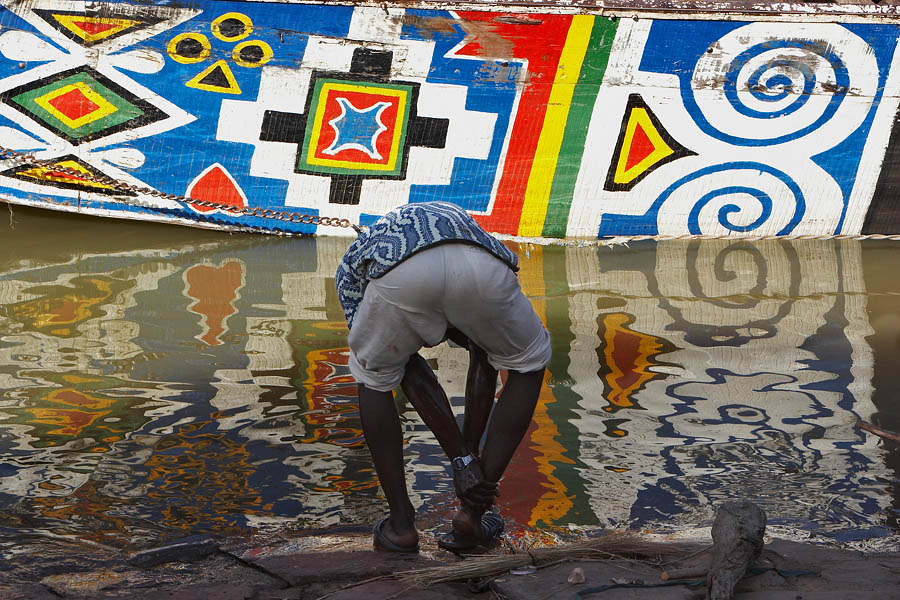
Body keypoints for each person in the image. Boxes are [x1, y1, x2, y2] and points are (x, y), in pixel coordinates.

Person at [336, 201, 551, 552]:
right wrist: (464, 461)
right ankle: (473, 515)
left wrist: (462, 458)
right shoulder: (464, 226)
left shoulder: (352, 273)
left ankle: (402, 525)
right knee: (529, 363)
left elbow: (403, 368)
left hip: (402, 274)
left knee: (374, 379)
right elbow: (486, 356)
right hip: (481, 269)